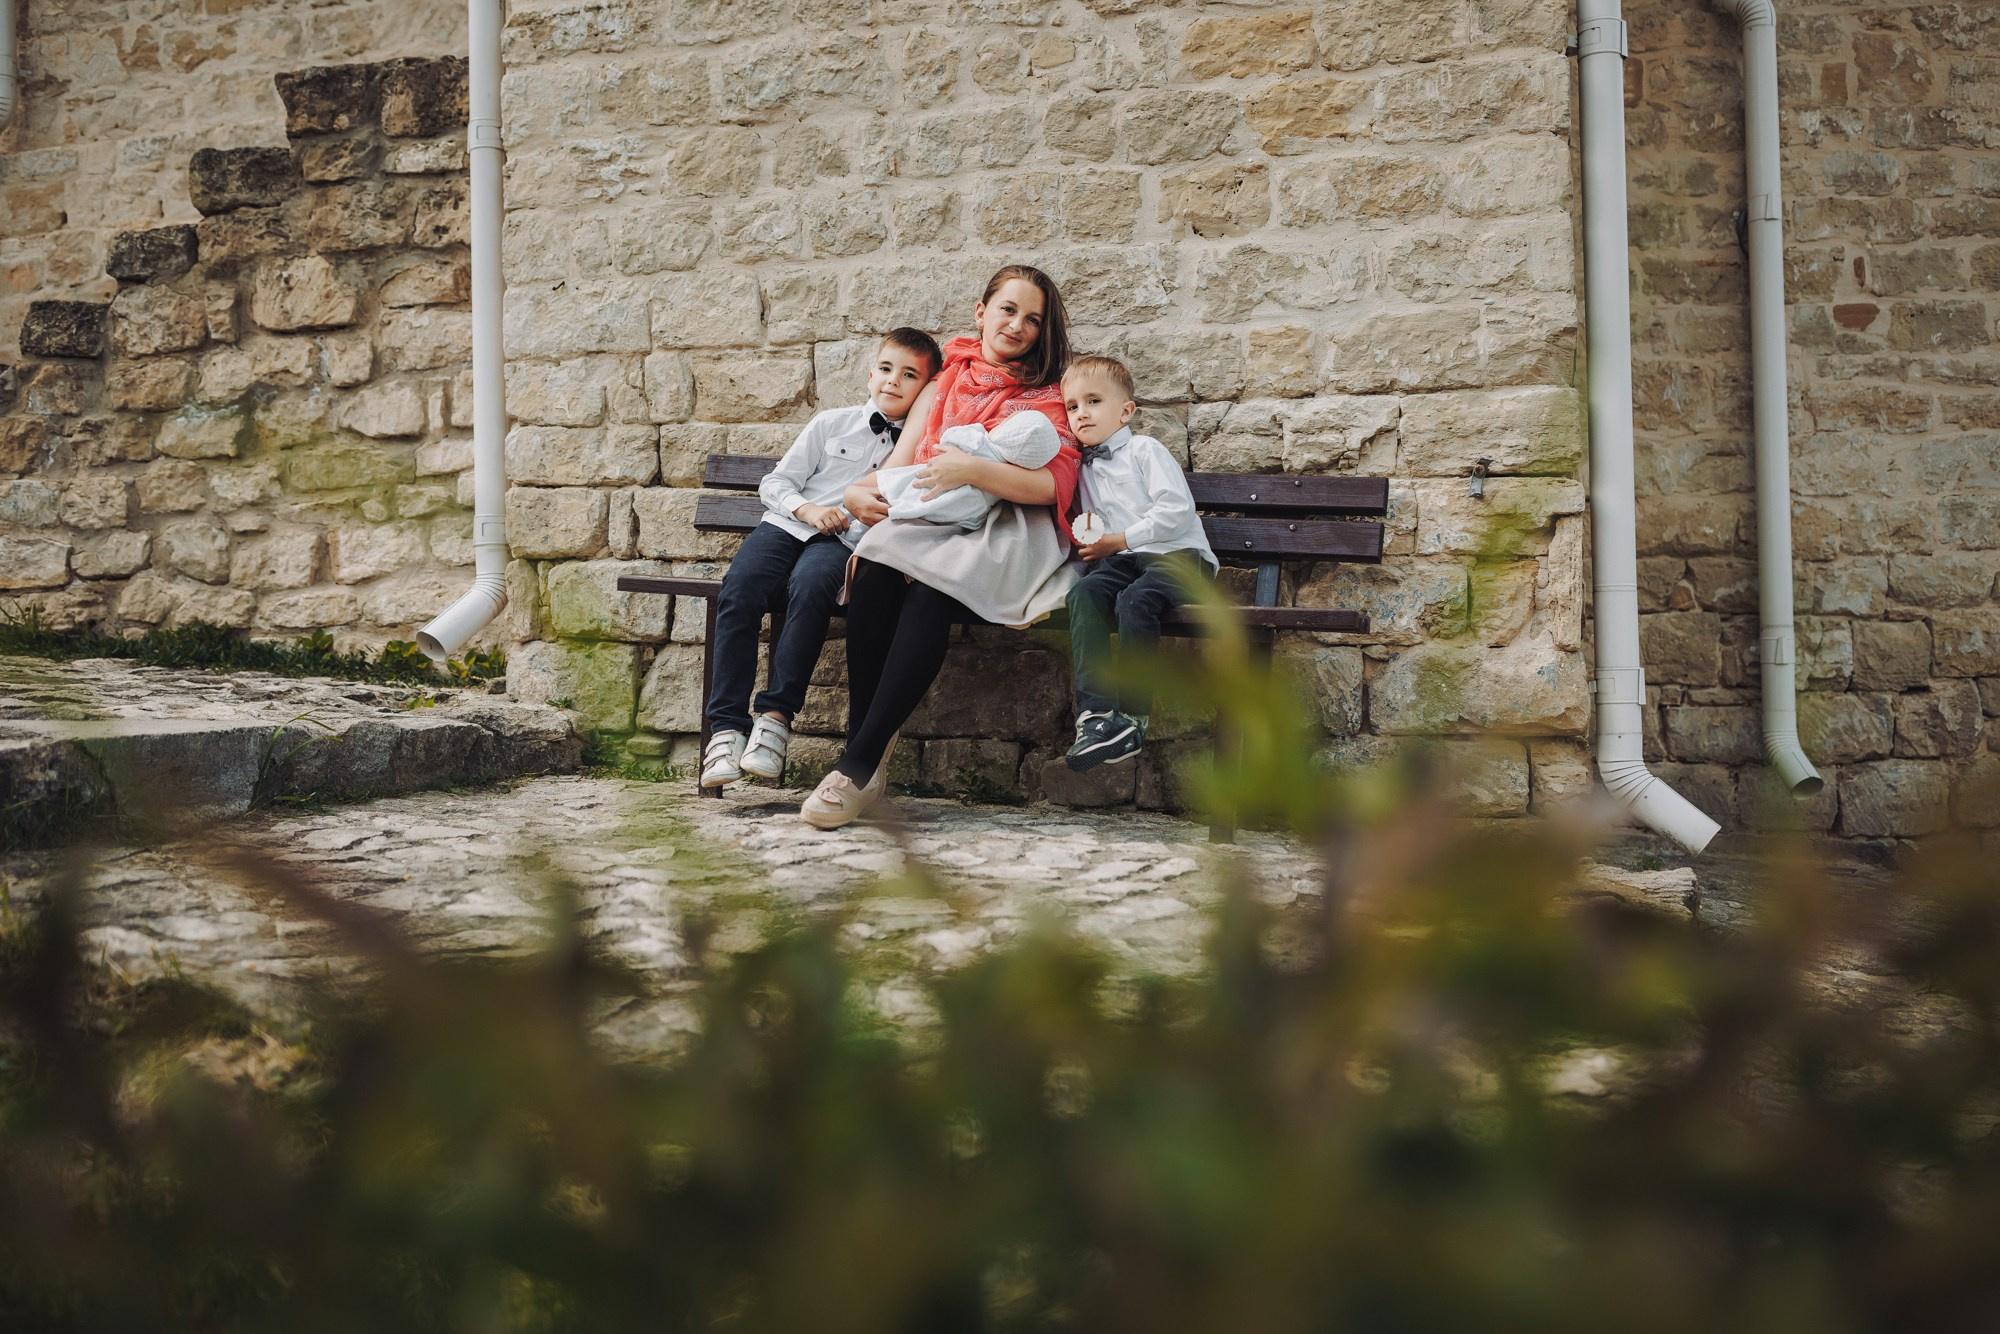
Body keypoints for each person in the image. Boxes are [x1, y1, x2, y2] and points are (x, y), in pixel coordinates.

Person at [800, 264, 1081, 829]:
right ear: (981, 312)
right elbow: (905, 463)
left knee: (931, 592)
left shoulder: (1051, 393)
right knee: (876, 565)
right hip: (931, 507)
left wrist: (973, 470)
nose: (1018, 325)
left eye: (1033, 318)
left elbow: (1053, 485)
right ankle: (869, 756)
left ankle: (854, 764)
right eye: (1007, 310)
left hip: (1005, 525)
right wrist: (858, 491)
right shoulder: (944, 379)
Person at [698, 327, 942, 790]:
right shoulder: (832, 422)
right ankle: (725, 730)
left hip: (842, 543)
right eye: (887, 369)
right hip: (787, 526)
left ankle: (774, 720)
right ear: (871, 374)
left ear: (926, 391)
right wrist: (808, 509)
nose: (893, 381)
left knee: (811, 591)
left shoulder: (915, 450)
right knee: (740, 591)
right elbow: (775, 484)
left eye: (909, 375)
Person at [1057, 355, 1219, 771]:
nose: (1081, 413)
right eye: (1072, 406)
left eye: (1093, 401)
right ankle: (1094, 715)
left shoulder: (1146, 450)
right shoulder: (1084, 467)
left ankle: (1132, 717)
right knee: (1085, 595)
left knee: (1135, 601)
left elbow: (1176, 512)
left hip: (1176, 557)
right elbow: (1092, 521)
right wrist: (1090, 537)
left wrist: (1120, 540)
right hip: (1124, 559)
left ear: (1126, 411)